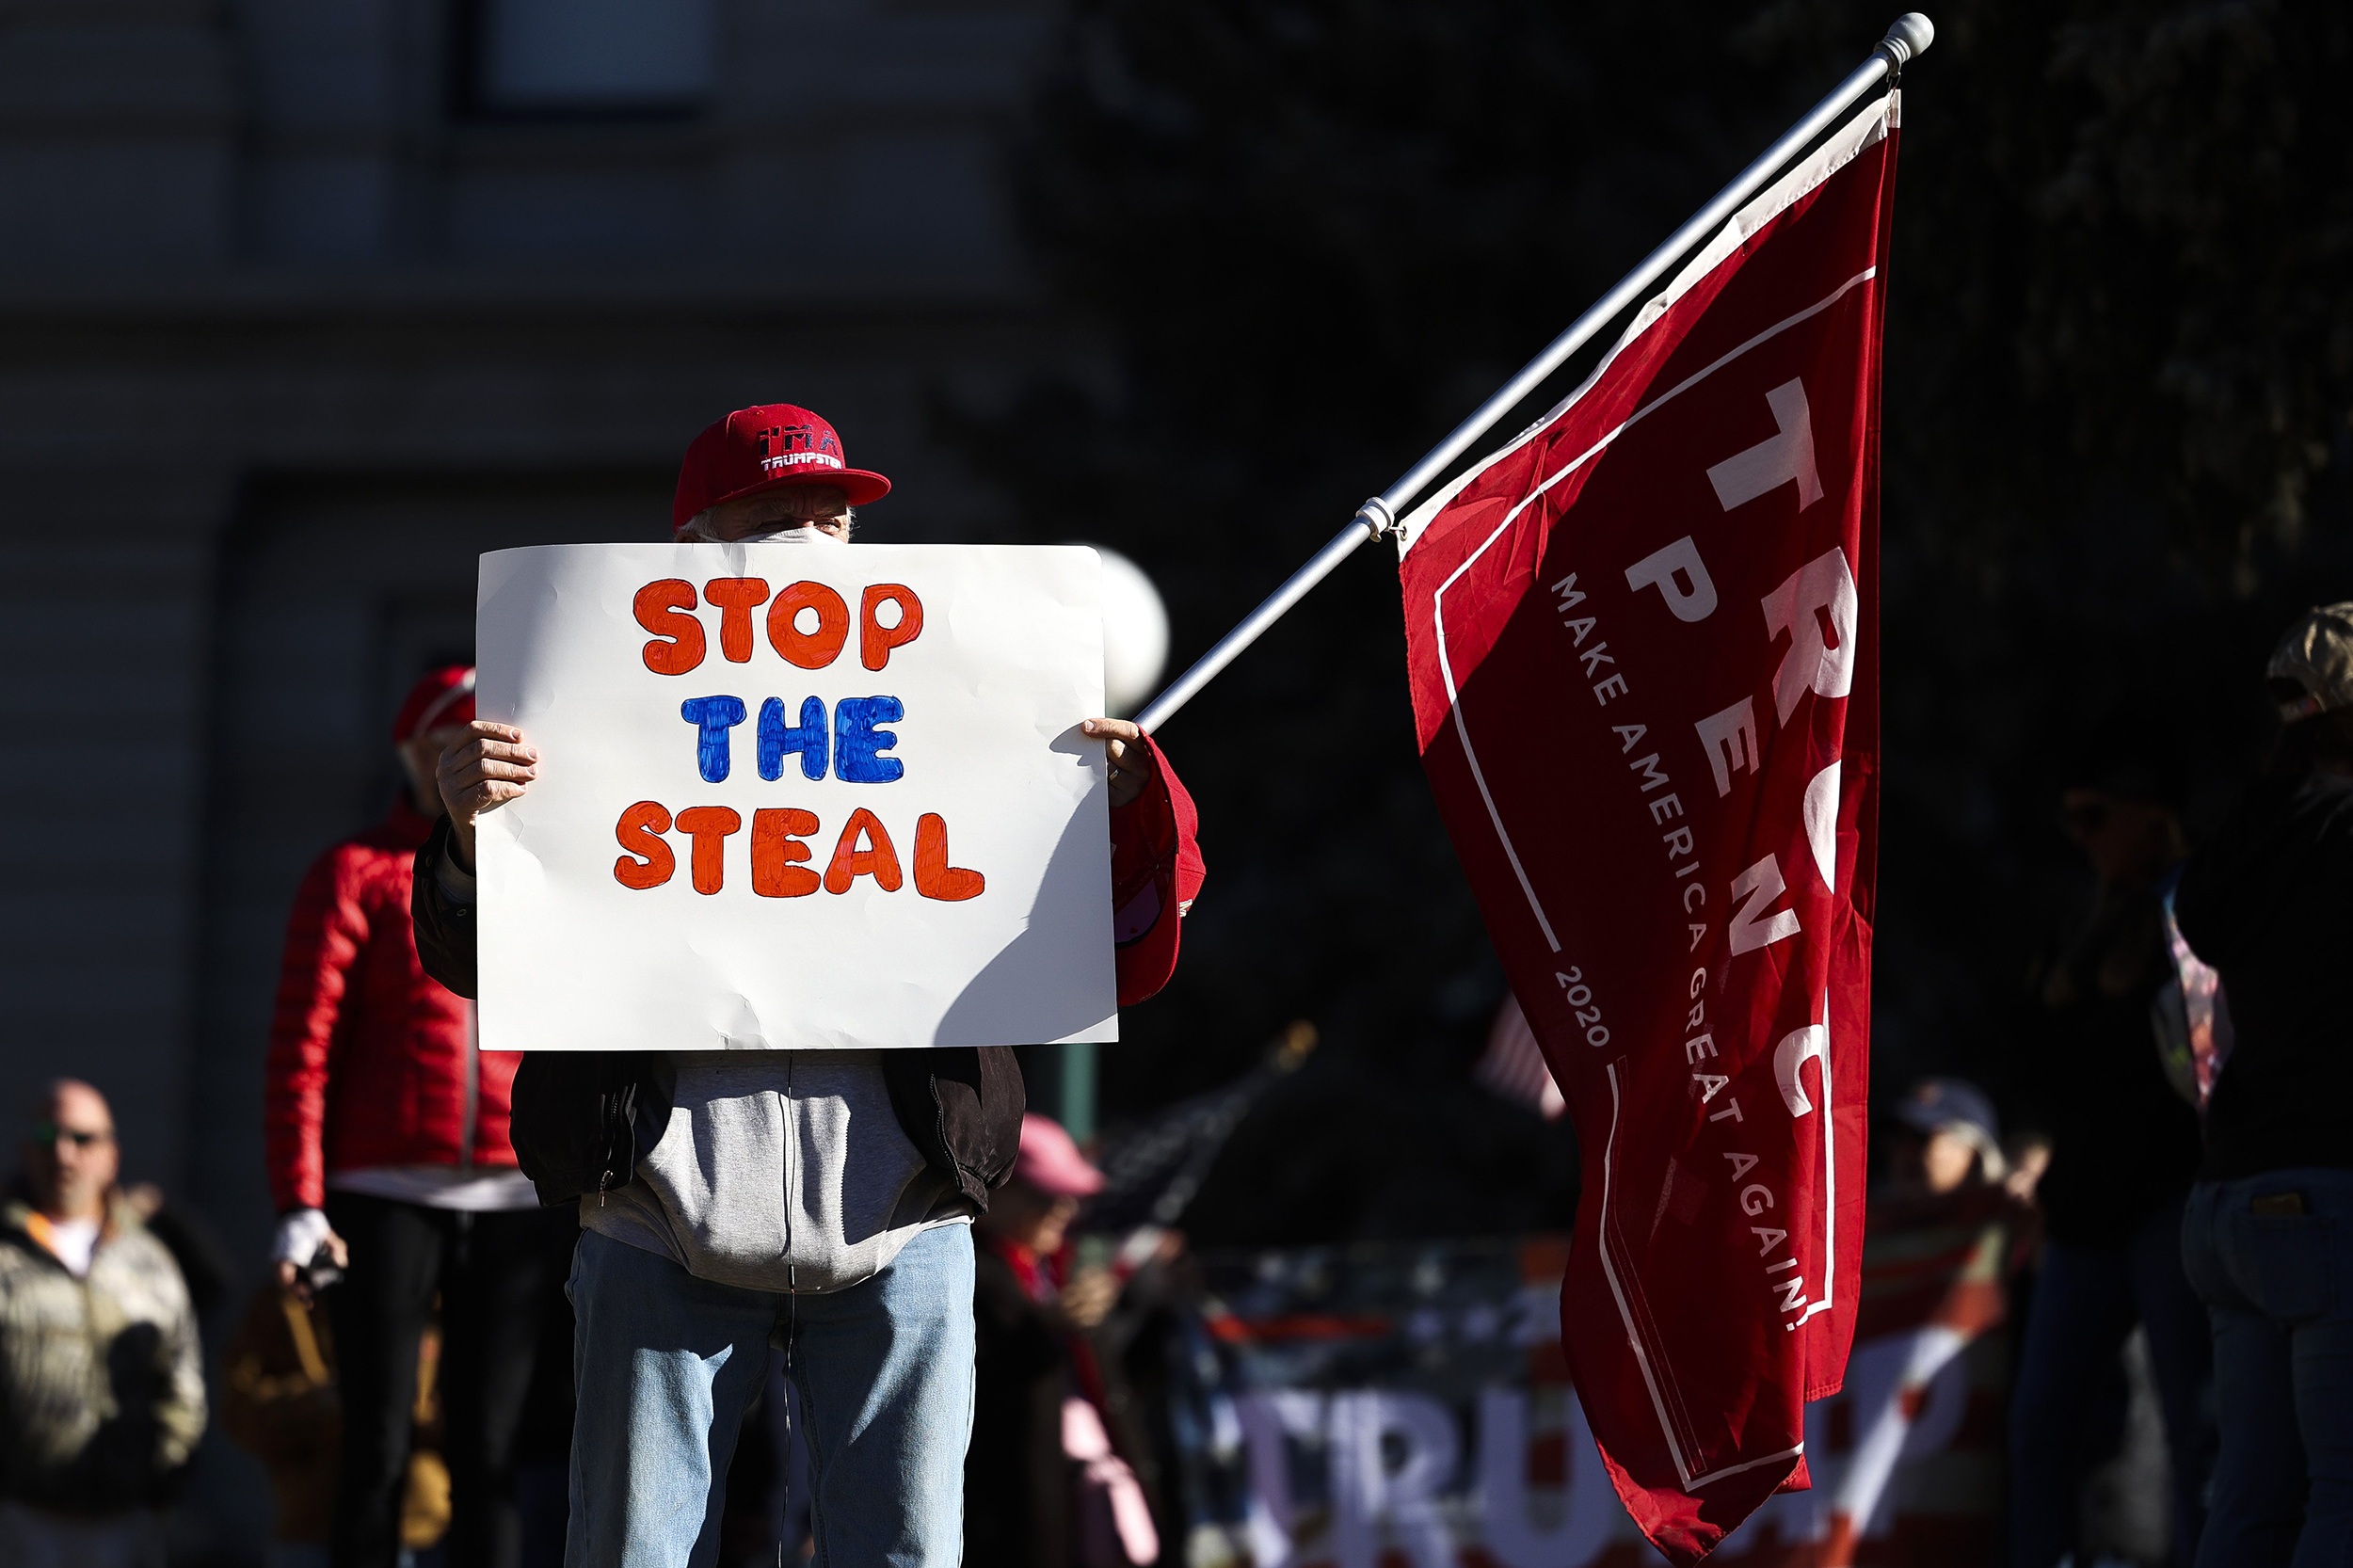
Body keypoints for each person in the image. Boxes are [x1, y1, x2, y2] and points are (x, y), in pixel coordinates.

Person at [411, 403, 1206, 1568]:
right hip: (655, 1210)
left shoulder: (957, 696)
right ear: (692, 547)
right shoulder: (578, 702)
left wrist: (1131, 802)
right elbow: (474, 963)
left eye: (833, 515)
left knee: (906, 1553)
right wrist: (471, 837)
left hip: (907, 1216)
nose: (813, 541)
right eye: (775, 517)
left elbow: (1124, 946)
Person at [263, 664, 579, 1568]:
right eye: (447, 747)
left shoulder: (547, 875)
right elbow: (301, 1049)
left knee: (494, 1455)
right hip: (382, 1187)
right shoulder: (356, 874)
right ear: (411, 755)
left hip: (515, 1194)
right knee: (379, 1446)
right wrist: (299, 1202)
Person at [2173, 602, 2353, 1568]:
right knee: (2342, 1500)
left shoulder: (2248, 836)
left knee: (2246, 1502)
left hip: (2229, 1200)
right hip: (2322, 1195)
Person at [2007, 743, 2216, 1568]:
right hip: (2087, 1213)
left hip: (2169, 1200)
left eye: (2095, 817)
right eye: (2071, 820)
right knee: (2040, 1430)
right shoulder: (2078, 927)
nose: (2082, 837)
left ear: (2146, 814)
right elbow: (2041, 1064)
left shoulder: (2194, 910)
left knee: (2196, 1426)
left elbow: (2206, 1068)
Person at [0, 1080, 206, 1568]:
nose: (65, 1155)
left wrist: (162, 1482)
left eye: (83, 1139)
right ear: (27, 1149)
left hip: (127, 1523)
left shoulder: (149, 1260)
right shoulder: (5, 1256)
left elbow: (182, 1382)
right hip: (19, 1520)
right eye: (50, 1137)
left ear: (111, 1155)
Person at [967, 1114, 1159, 1568]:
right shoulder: (968, 1274)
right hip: (1007, 1516)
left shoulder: (1055, 1269)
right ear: (992, 1191)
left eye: (1070, 1197)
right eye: (1046, 1196)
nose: (1065, 1211)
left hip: (1083, 1498)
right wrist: (1047, 1326)